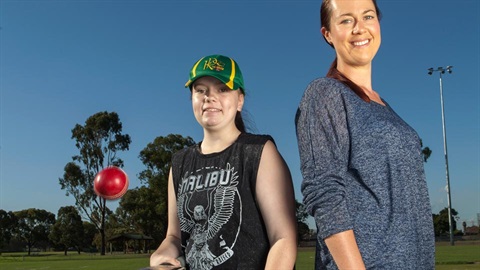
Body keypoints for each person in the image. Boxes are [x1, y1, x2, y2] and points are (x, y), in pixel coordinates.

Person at [295, 0, 435, 269]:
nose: (360, 28)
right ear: (328, 34)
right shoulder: (325, 93)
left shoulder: (385, 106)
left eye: (368, 16)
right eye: (346, 20)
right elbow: (324, 193)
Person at [150, 54, 297, 269]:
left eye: (222, 89)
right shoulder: (180, 163)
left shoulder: (259, 151)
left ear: (240, 100)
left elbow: (283, 238)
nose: (210, 97)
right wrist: (161, 255)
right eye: (200, 90)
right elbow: (174, 236)